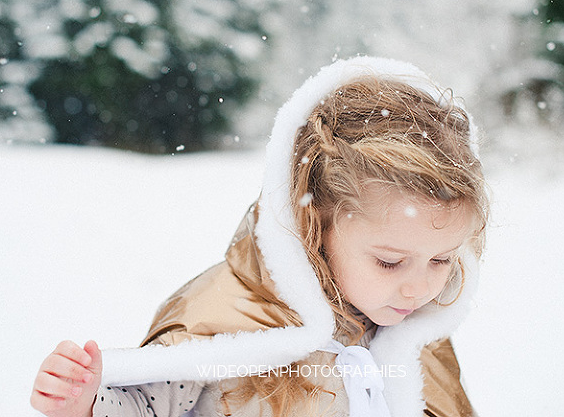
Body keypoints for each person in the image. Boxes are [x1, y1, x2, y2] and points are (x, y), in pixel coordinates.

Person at [30, 56, 488, 417]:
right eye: (389, 262)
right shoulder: (225, 316)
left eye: (442, 260)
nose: (418, 287)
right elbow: (147, 405)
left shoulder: (415, 333)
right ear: (314, 228)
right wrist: (86, 404)